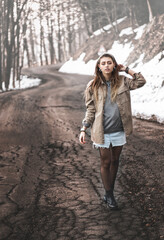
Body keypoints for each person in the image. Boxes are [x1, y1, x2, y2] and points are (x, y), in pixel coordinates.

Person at [79, 53, 146, 209]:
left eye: (110, 62)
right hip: (101, 131)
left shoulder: (123, 82)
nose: (107, 65)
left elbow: (141, 81)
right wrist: (84, 128)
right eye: (103, 63)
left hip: (119, 130)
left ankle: (110, 192)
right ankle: (109, 195)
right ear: (99, 66)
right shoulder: (92, 85)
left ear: (114, 65)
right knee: (106, 161)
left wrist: (127, 69)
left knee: (115, 161)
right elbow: (90, 109)